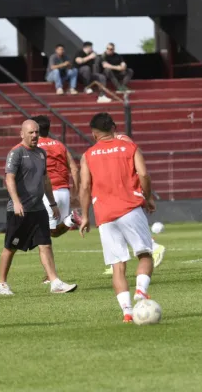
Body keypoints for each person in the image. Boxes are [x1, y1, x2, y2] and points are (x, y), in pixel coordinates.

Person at [78, 113, 155, 323]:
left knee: (117, 265)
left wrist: (85, 216)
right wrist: (147, 198)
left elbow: (84, 186)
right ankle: (140, 291)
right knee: (145, 254)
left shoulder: (88, 155)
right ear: (114, 127)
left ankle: (127, 312)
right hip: (130, 208)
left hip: (104, 215)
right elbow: (144, 175)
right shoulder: (130, 148)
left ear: (94, 133)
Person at [0, 119, 78, 296]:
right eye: (31, 132)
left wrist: (52, 203)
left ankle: (55, 282)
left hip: (38, 208)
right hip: (19, 210)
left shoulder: (41, 153)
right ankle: (2, 284)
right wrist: (16, 201)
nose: (35, 136)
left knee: (45, 244)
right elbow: (9, 179)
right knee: (11, 247)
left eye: (36, 132)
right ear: (22, 134)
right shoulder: (16, 153)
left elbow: (45, 179)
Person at [102, 131, 166, 275]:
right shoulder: (116, 143)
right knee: (120, 226)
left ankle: (155, 247)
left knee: (126, 225)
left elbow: (136, 167)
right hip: (123, 191)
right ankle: (115, 264)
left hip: (127, 192)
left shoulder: (121, 141)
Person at [34, 115, 82, 238]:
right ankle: (71, 219)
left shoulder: (33, 147)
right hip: (63, 191)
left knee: (44, 233)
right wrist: (75, 193)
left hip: (47, 192)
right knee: (54, 232)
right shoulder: (59, 145)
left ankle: (71, 219)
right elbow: (75, 169)